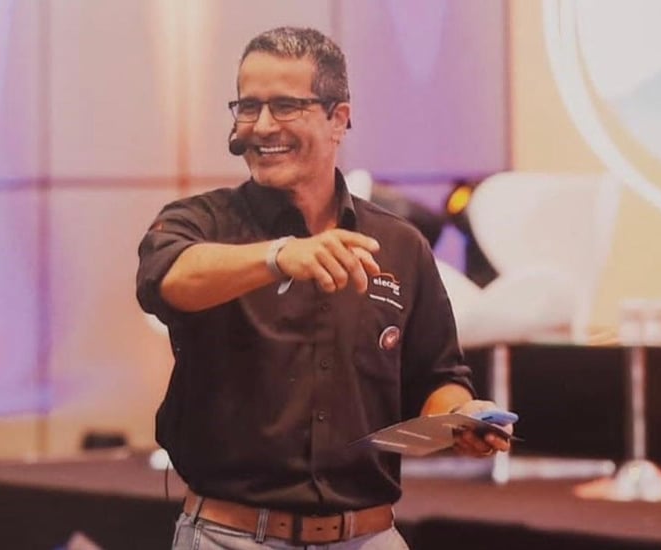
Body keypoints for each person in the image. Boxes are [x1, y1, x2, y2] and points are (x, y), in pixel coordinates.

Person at [137, 26, 511, 550]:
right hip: (232, 537)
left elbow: (438, 377)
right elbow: (166, 279)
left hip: (369, 535)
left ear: (339, 118)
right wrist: (279, 256)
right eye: (248, 106)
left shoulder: (398, 245)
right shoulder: (200, 222)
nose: (262, 126)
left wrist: (461, 418)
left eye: (285, 106)